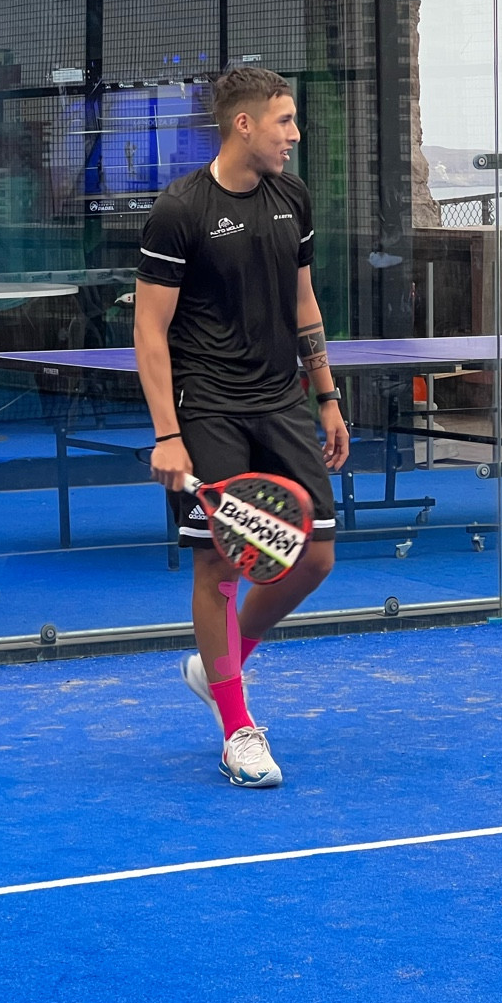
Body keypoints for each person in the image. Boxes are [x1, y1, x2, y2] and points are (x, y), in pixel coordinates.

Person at [134, 66, 350, 789]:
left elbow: (303, 302)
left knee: (314, 557)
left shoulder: (293, 197)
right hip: (208, 408)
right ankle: (237, 729)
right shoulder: (180, 211)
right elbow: (149, 330)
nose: (295, 134)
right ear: (244, 124)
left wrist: (326, 397)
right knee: (221, 566)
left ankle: (217, 666)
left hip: (283, 402)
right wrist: (168, 434)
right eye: (284, 120)